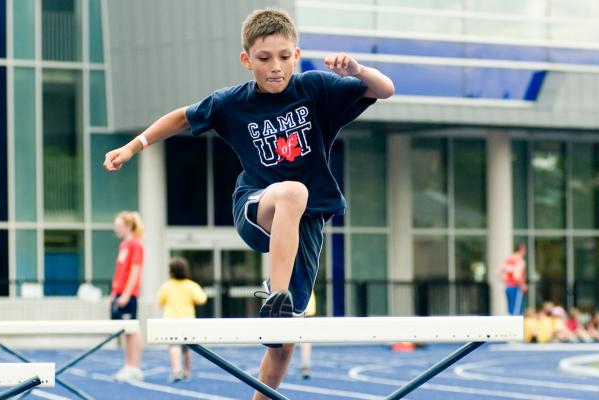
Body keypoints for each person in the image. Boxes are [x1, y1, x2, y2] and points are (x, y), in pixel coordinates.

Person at [102, 8, 393, 398]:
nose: (276, 68)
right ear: (246, 60)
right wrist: (132, 146)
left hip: (303, 226)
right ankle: (277, 294)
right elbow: (181, 118)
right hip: (256, 206)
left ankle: (276, 326)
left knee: (283, 343)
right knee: (293, 192)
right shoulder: (232, 103)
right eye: (264, 59)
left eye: (285, 57)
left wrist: (357, 69)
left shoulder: (317, 90)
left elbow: (385, 89)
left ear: (296, 53)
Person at [157, 258, 208, 382]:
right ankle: (186, 370)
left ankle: (176, 370)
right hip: (187, 319)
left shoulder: (167, 286)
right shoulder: (190, 285)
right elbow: (201, 299)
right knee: (188, 347)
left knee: (174, 345)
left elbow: (160, 301)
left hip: (171, 319)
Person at [110, 211, 145, 382]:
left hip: (128, 294)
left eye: (119, 226)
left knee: (133, 330)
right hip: (119, 293)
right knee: (126, 331)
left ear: (128, 226)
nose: (116, 229)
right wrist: (113, 293)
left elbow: (135, 270)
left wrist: (126, 294)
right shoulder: (123, 245)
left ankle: (134, 366)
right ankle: (128, 365)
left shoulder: (135, 244)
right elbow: (120, 272)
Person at [501, 242, 527, 316]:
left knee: (510, 310)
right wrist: (522, 285)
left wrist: (506, 281)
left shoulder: (509, 259)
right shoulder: (520, 260)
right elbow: (517, 275)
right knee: (517, 311)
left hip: (508, 287)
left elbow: (499, 272)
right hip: (516, 287)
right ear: (521, 249)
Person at [299, 292, 316, 380]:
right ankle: (305, 367)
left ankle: (305, 366)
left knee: (305, 339)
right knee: (305, 339)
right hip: (304, 300)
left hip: (303, 301)